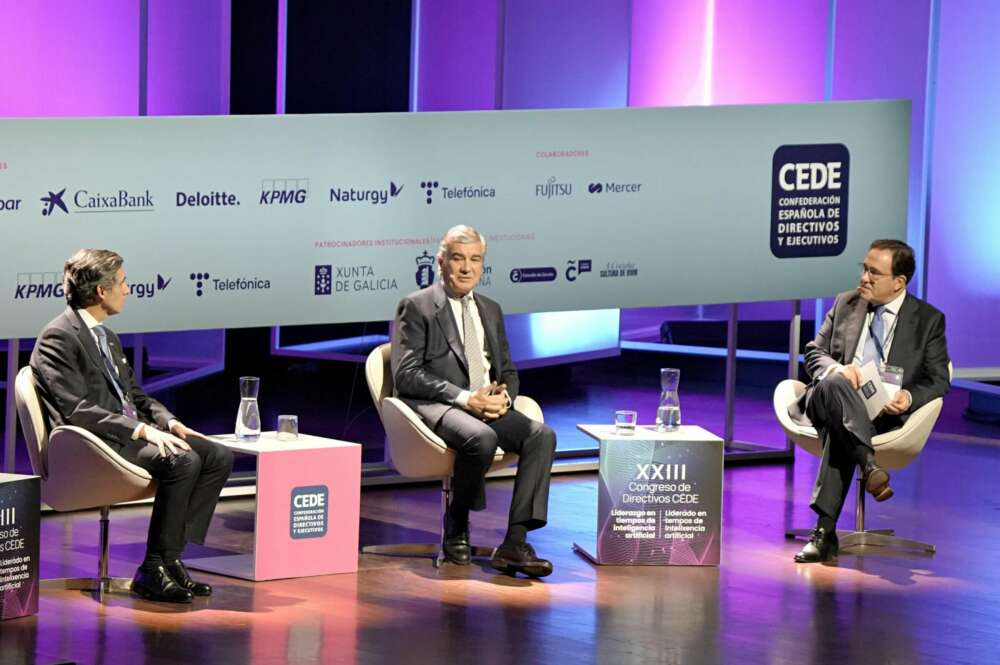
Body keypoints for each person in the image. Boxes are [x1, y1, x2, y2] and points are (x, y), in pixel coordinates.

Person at [30, 249, 234, 602]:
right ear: (101, 292)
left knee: (216, 455)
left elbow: (136, 396)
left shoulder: (106, 336)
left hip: (126, 434)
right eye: (122, 283)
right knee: (182, 462)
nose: (127, 290)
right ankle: (153, 566)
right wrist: (140, 430)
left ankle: (169, 560)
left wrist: (169, 422)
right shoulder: (58, 336)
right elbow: (76, 409)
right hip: (95, 443)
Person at [391, 225, 557, 577]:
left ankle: (514, 542)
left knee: (541, 435)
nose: (467, 268)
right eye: (458, 259)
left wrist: (503, 399)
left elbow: (508, 369)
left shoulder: (491, 309)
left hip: (486, 406)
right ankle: (457, 521)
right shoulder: (417, 307)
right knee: (480, 437)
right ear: (441, 262)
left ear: (483, 265)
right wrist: (467, 399)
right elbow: (406, 375)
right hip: (440, 405)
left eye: (475, 260)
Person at [792, 239, 950, 563]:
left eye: (874, 273)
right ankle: (868, 464)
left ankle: (824, 532)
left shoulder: (928, 320)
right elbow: (813, 353)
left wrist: (908, 397)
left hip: (881, 414)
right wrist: (838, 370)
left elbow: (938, 380)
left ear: (899, 282)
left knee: (843, 426)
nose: (864, 277)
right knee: (836, 386)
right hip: (824, 399)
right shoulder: (846, 302)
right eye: (863, 268)